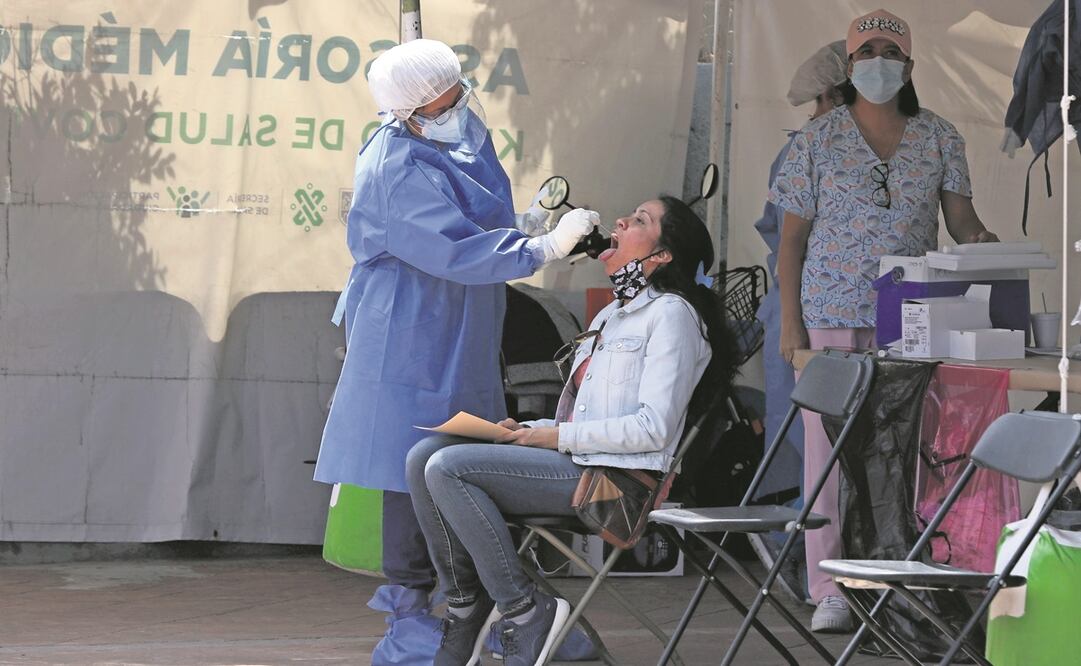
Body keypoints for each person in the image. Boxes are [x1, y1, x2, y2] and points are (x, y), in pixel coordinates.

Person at [314, 39, 597, 664]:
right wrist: (540, 250)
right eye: (442, 104)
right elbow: (449, 247)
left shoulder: (462, 132)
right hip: (408, 326)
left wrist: (527, 227)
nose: (456, 108)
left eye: (457, 94)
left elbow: (477, 221)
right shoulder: (393, 162)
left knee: (463, 459)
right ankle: (411, 618)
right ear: (408, 111)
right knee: (406, 465)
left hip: (464, 319)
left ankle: (485, 610)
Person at [405, 196, 737, 666]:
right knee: (422, 456)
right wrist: (526, 429)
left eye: (640, 220)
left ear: (662, 255)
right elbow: (582, 420)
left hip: (616, 484)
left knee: (447, 467)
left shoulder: (673, 315)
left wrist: (554, 438)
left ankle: (522, 610)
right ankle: (465, 604)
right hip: (577, 462)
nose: (621, 220)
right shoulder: (611, 315)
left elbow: (653, 430)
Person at [770, 9, 999, 633]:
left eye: (890, 52)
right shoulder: (816, 141)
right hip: (830, 311)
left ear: (910, 65)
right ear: (848, 67)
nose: (879, 63)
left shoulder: (939, 136)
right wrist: (791, 324)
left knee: (905, 448)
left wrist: (986, 244)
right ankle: (830, 586)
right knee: (828, 454)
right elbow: (791, 241)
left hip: (913, 315)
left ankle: (898, 573)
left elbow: (962, 220)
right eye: (866, 52)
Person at [748, 39, 849, 609]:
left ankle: (821, 556)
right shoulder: (805, 149)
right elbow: (784, 238)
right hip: (802, 312)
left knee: (834, 446)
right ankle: (792, 547)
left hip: (843, 314)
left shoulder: (909, 142)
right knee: (805, 443)